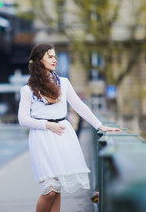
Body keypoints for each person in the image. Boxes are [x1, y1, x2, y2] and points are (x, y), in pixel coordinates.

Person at [18, 44, 121, 212]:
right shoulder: (28, 89)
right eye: (50, 56)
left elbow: (80, 107)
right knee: (49, 191)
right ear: (39, 60)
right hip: (42, 137)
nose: (55, 59)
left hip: (62, 136)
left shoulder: (63, 83)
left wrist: (100, 125)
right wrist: (47, 125)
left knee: (57, 188)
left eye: (55, 56)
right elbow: (22, 119)